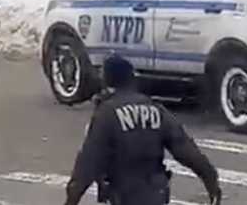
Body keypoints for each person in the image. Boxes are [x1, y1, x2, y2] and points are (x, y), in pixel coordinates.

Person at [64, 54, 221, 205]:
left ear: (108, 82)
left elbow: (88, 163)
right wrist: (210, 180)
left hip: (124, 195)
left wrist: (72, 199)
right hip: (155, 193)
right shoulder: (155, 109)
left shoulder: (106, 114)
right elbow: (185, 149)